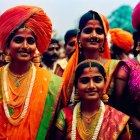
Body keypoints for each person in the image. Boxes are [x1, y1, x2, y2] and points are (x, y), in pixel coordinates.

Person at [0, 5, 64, 139]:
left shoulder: (53, 83)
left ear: (36, 46)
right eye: (18, 40)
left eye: (30, 41)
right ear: (7, 45)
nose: (25, 46)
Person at [62, 10, 127, 107]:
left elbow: (121, 109)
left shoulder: (117, 68)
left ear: (104, 38)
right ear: (79, 37)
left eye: (99, 31)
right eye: (88, 31)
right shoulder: (67, 69)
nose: (94, 35)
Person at [55, 60, 130, 140]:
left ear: (105, 83)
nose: (91, 86)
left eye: (97, 80)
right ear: (76, 85)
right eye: (84, 81)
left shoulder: (117, 118)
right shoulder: (66, 115)